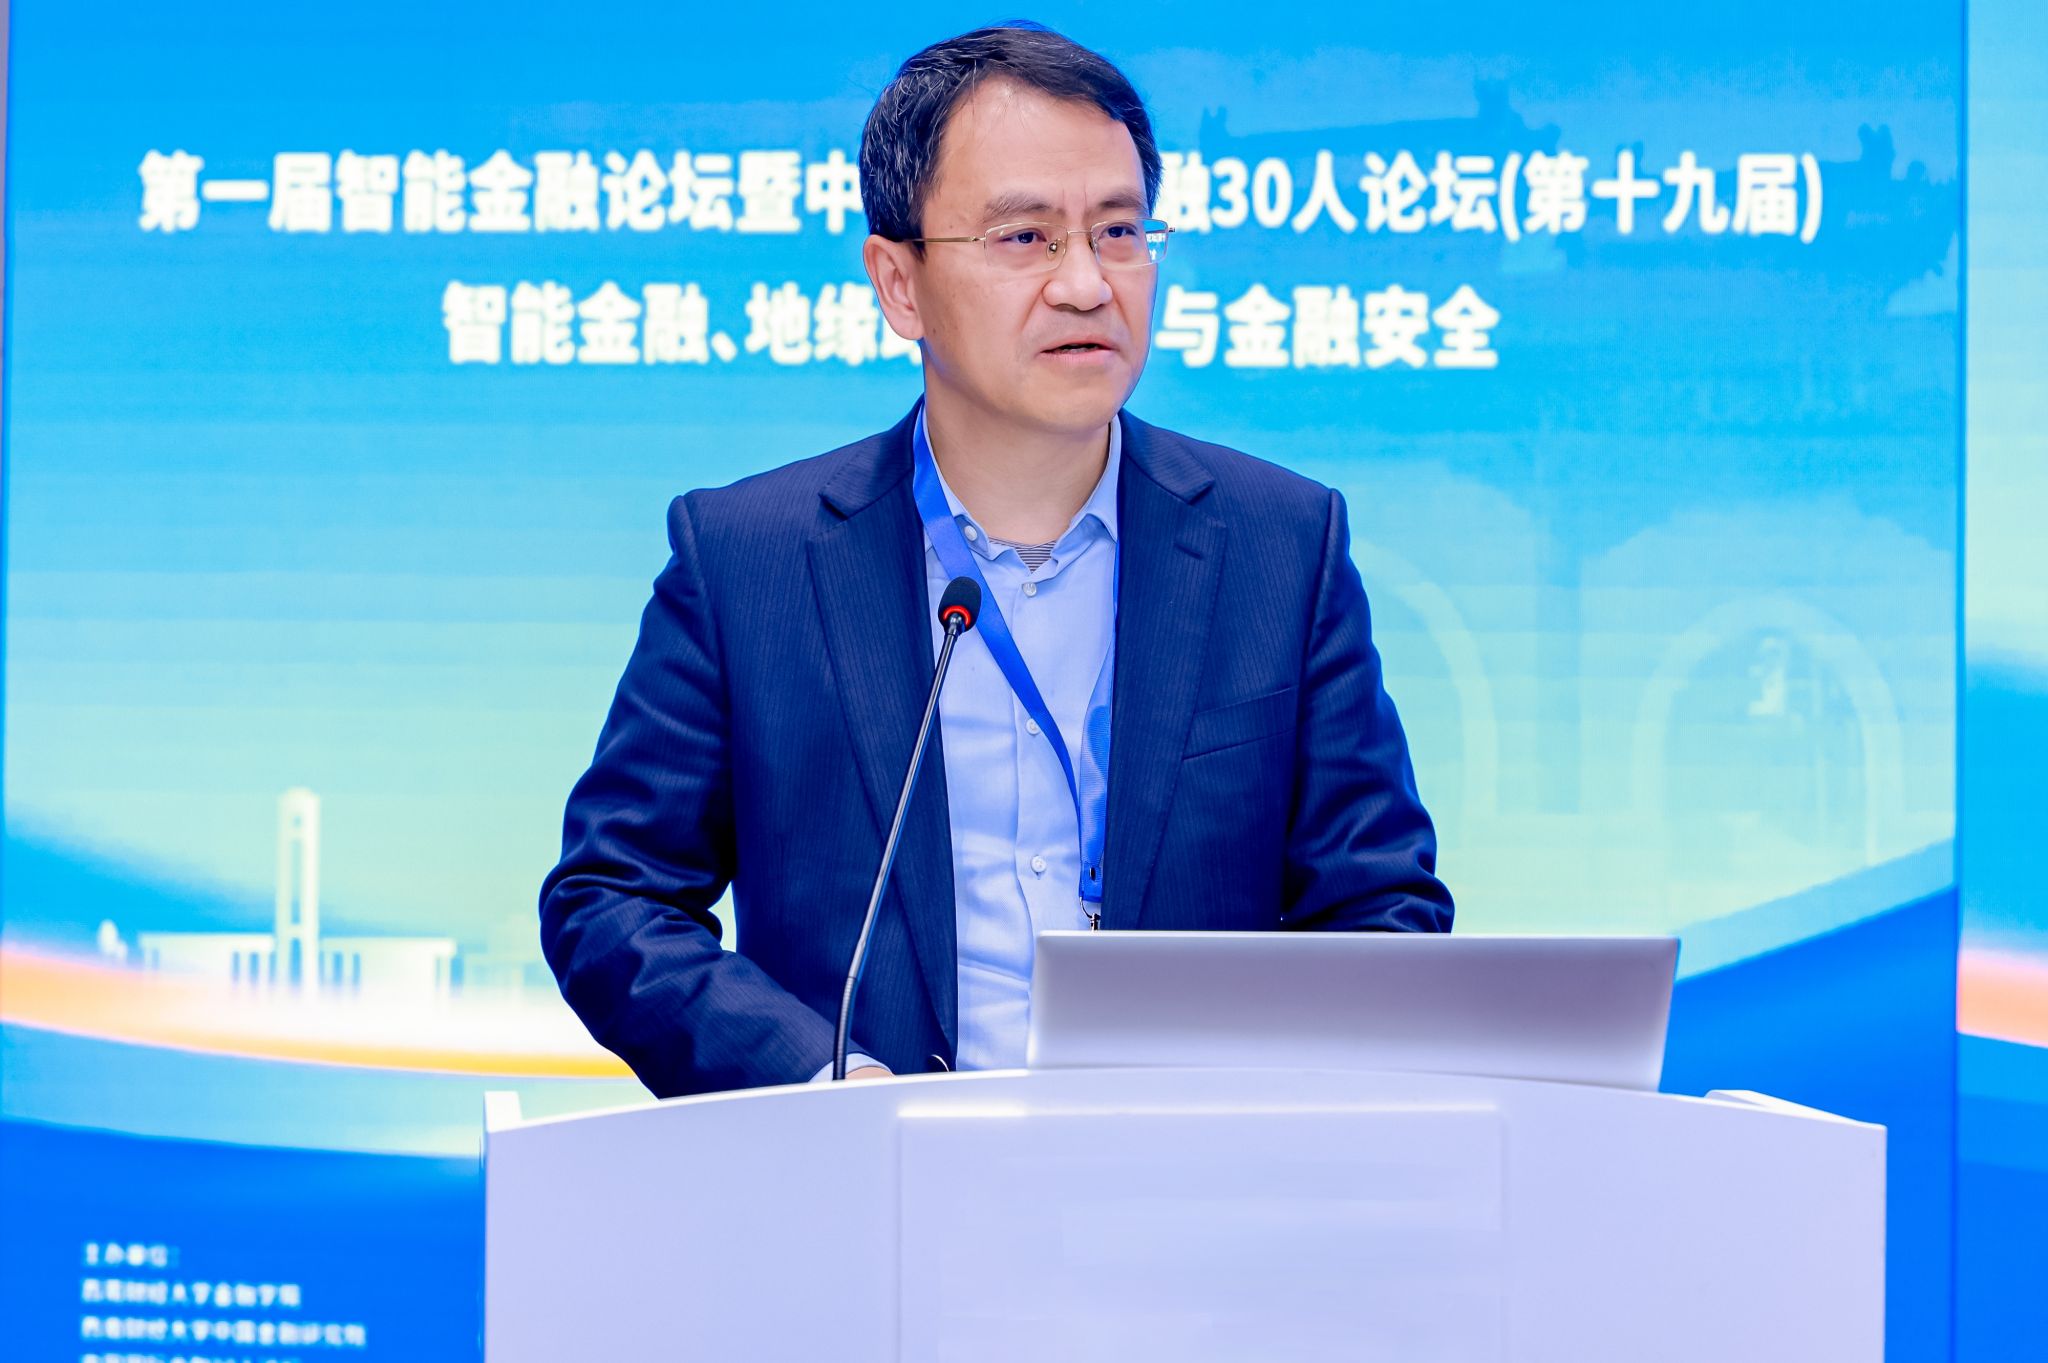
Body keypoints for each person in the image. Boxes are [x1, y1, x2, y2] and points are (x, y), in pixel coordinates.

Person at [539, 23, 1453, 1098]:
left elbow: (1381, 908)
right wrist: (819, 1081)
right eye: (1025, 238)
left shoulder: (1280, 546)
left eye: (1119, 231)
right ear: (899, 283)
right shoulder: (749, 560)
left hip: (1189, 1173)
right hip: (866, 1172)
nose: (1087, 284)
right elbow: (612, 899)